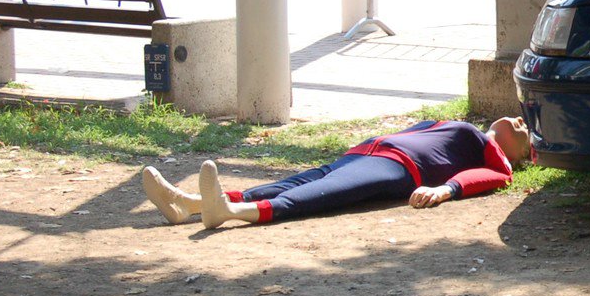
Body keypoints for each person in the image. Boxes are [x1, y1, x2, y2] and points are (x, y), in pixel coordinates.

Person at [140, 118, 532, 230]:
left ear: (523, 155)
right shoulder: (464, 126)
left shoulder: (494, 155)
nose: (519, 119)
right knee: (295, 180)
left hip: (396, 167)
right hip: (367, 152)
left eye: (526, 130)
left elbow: (492, 177)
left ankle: (232, 213)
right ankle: (188, 205)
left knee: (325, 191)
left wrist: (445, 189)